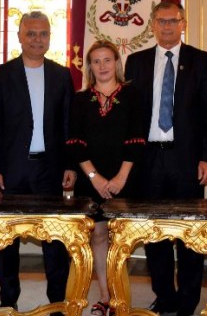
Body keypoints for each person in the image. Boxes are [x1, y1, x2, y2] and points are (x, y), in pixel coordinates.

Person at [124, 0, 207, 316]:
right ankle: (164, 296)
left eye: (173, 21)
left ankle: (188, 301)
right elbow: (130, 117)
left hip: (186, 160)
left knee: (189, 234)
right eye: (161, 21)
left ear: (183, 24)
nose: (167, 26)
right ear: (152, 25)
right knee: (155, 234)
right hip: (148, 160)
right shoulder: (136, 62)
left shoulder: (201, 61)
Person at [0, 11, 76, 310]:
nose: (38, 39)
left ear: (50, 37)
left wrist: (70, 164)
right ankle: (8, 303)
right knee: (6, 243)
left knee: (55, 242)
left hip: (50, 170)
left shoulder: (61, 75)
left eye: (43, 34)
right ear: (20, 37)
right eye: (31, 33)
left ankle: (57, 304)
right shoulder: (1, 74)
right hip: (11, 170)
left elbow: (69, 125)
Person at [66, 40, 145, 316]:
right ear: (89, 67)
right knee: (98, 236)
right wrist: (94, 177)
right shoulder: (80, 99)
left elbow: (136, 138)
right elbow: (75, 143)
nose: (102, 66)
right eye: (96, 61)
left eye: (107, 60)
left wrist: (121, 177)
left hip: (126, 176)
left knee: (120, 239)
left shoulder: (133, 95)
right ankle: (104, 296)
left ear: (117, 63)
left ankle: (120, 295)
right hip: (91, 179)